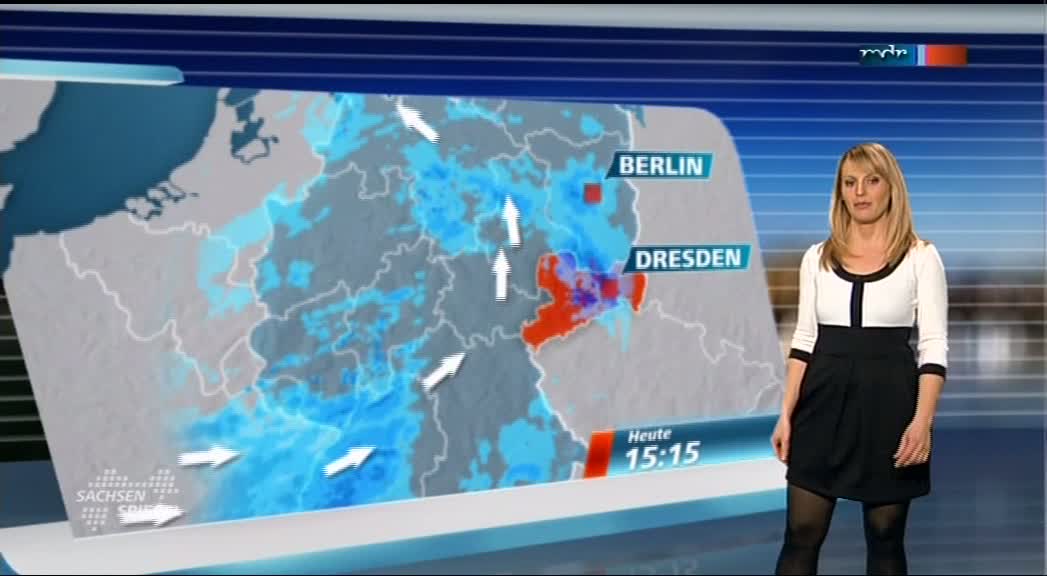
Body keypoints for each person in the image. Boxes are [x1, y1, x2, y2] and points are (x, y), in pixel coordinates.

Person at [770, 142, 949, 575]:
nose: (860, 192)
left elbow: (933, 345)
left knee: (885, 538)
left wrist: (922, 423)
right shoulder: (816, 258)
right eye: (850, 183)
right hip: (821, 407)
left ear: (891, 188)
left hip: (889, 408)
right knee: (801, 533)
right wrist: (786, 414)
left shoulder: (921, 257)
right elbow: (804, 340)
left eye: (871, 181)